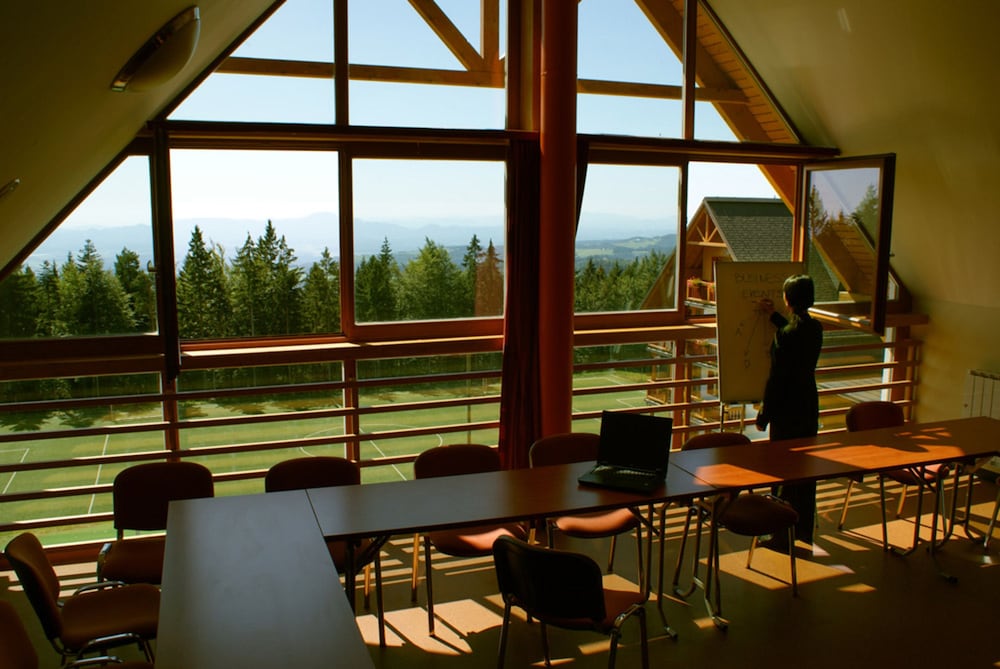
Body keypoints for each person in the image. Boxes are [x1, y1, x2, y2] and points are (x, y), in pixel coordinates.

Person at [755, 274, 823, 551]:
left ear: (787, 299)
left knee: (782, 472)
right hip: (807, 405)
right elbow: (794, 332)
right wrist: (774, 316)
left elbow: (777, 379)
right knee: (804, 470)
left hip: (786, 409)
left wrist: (764, 415)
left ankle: (780, 533)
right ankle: (803, 529)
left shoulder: (785, 336)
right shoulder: (815, 328)